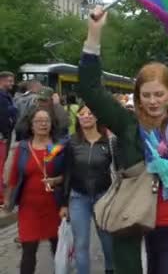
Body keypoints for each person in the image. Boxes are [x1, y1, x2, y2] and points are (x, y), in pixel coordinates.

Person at [77, 7, 168, 274]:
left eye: (159, 94)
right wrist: (94, 33)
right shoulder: (128, 126)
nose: (153, 101)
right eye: (146, 95)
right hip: (132, 230)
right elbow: (89, 88)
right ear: (138, 97)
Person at [6, 106, 65, 274]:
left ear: (51, 124)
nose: (43, 124)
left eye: (46, 121)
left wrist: (57, 180)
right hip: (29, 208)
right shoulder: (24, 148)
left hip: (54, 206)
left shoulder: (56, 147)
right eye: (38, 121)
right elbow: (14, 177)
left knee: (58, 249)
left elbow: (67, 175)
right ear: (31, 125)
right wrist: (8, 202)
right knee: (28, 250)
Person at [59, 105, 114, 274]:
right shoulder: (72, 142)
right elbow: (67, 172)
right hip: (78, 197)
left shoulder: (109, 142)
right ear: (78, 119)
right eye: (82, 114)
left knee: (108, 241)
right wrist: (64, 203)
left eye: (90, 113)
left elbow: (116, 170)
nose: (86, 116)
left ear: (97, 118)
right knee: (80, 243)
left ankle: (110, 269)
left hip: (103, 197)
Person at [0, 71, 16, 206]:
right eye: (9, 81)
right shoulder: (2, 96)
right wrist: (5, 134)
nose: (12, 83)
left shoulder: (6, 96)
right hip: (2, 136)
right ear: (2, 81)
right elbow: (3, 117)